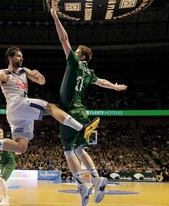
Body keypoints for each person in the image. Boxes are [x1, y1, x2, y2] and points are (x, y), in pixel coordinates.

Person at [50, 3, 128, 205]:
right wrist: (116, 88)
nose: (73, 52)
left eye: (76, 51)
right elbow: (101, 82)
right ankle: (95, 177)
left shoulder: (74, 63)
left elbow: (63, 38)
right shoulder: (89, 72)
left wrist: (55, 16)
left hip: (69, 112)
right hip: (83, 112)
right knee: (79, 150)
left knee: (68, 151)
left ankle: (84, 183)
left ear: (81, 56)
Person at [0, 46, 100, 154]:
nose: (21, 58)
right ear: (10, 57)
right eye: (19, 56)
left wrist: (39, 76)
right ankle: (82, 128)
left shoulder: (23, 71)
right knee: (51, 107)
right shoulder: (3, 73)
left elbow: (42, 82)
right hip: (17, 103)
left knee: (21, 147)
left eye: (22, 56)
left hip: (17, 114)